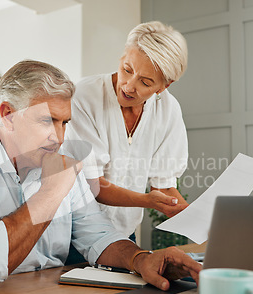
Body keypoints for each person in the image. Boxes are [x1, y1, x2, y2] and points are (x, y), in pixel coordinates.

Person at [0, 59, 201, 292]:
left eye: (64, 122)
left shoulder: (57, 159)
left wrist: (141, 259)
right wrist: (50, 194)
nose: (59, 137)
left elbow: (97, 235)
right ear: (7, 114)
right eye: (46, 121)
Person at [65, 21, 190, 243]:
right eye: (127, 70)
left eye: (145, 82)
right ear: (122, 57)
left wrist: (194, 216)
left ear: (163, 86)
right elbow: (94, 184)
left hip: (124, 235)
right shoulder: (84, 96)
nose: (129, 86)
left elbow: (164, 185)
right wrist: (148, 200)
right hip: (74, 235)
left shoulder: (168, 110)